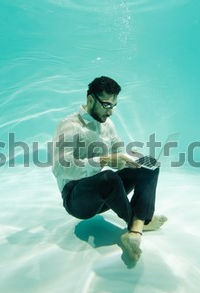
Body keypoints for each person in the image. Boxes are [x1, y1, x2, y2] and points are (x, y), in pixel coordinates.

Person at [52, 76, 167, 262]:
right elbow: (59, 168)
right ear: (90, 99)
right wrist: (104, 160)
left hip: (105, 194)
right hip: (76, 199)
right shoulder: (69, 125)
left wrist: (130, 158)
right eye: (106, 105)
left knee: (150, 165)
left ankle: (135, 227)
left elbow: (118, 153)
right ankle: (138, 222)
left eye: (114, 106)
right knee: (107, 177)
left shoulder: (108, 125)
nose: (111, 112)